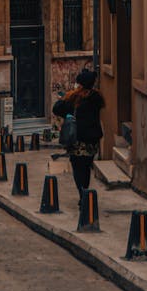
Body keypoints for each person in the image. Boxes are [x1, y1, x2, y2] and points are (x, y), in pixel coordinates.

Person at [52, 68, 104, 205]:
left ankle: (83, 195)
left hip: (78, 140)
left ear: (80, 84)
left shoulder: (74, 98)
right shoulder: (96, 98)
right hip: (92, 140)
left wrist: (67, 96)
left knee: (77, 168)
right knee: (86, 167)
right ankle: (85, 192)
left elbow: (57, 108)